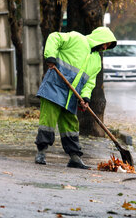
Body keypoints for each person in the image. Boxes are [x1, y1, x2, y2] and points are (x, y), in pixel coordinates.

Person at [34, 27, 117, 169]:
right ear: (99, 38)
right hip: (54, 86)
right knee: (48, 121)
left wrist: (85, 97)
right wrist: (51, 56)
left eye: (107, 46)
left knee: (71, 126)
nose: (104, 47)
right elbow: (54, 37)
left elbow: (90, 82)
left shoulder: (96, 61)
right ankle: (41, 152)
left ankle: (75, 157)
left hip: (71, 96)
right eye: (105, 43)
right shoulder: (77, 39)